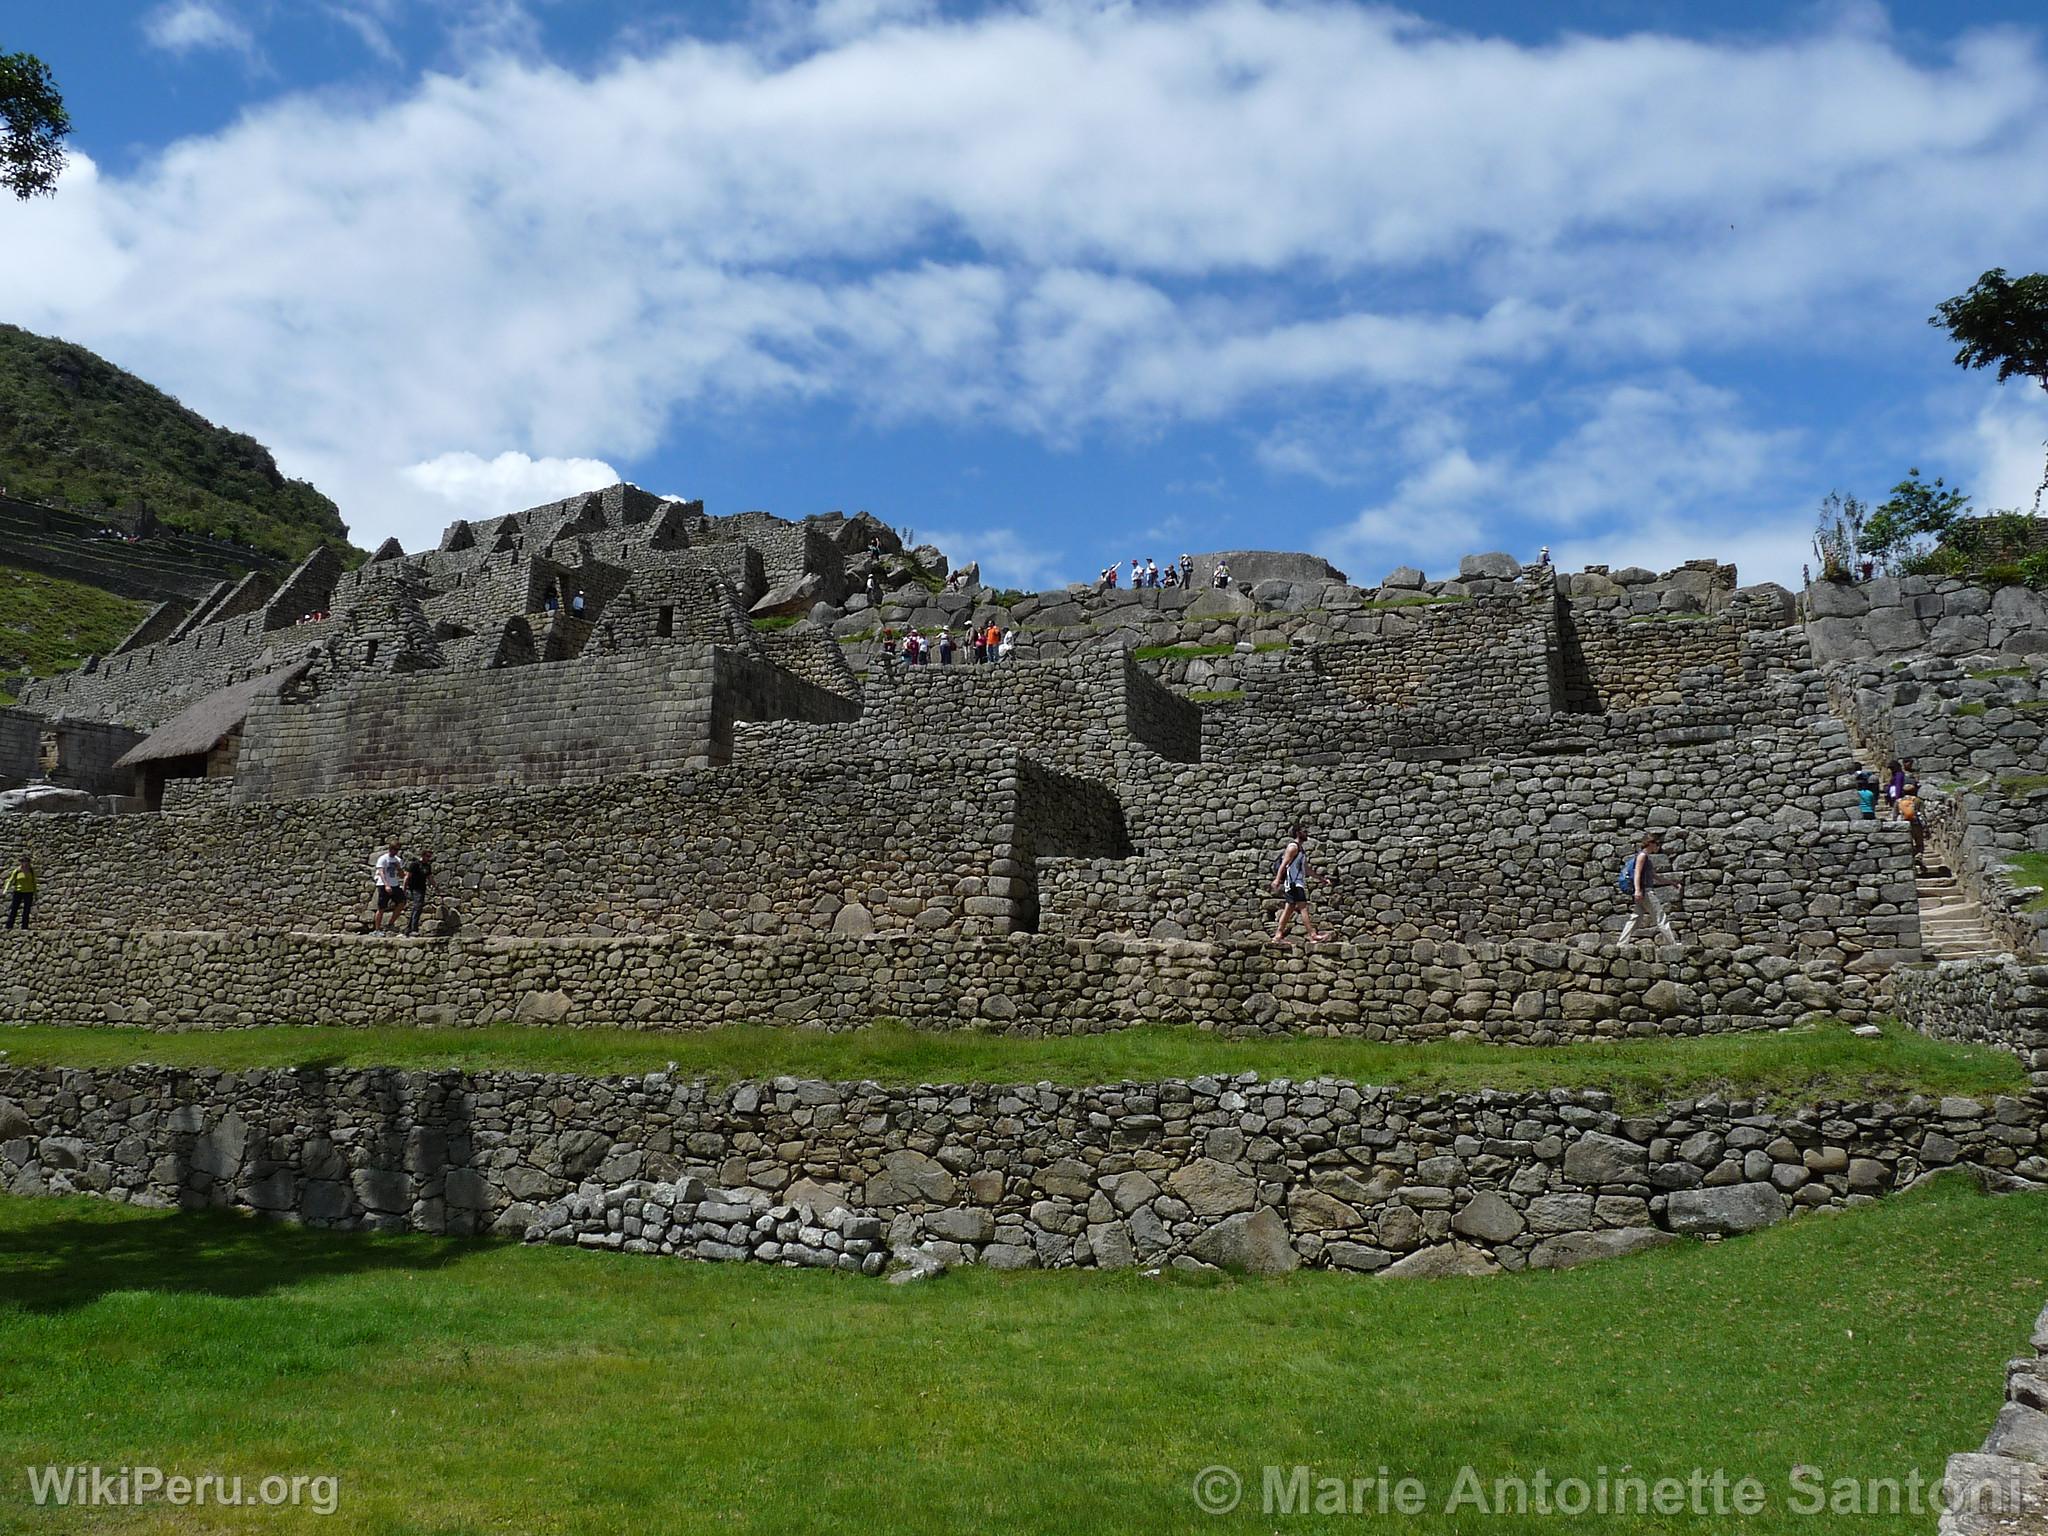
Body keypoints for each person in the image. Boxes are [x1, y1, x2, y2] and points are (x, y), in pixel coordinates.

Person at [1269, 824, 1331, 944]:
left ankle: (1278, 936)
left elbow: (1306, 869)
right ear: (1298, 833)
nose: (1307, 833)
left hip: (1296, 882)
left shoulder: (1300, 849)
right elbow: (1284, 864)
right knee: (1303, 907)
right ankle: (1313, 935)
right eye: (1304, 831)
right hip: (1293, 883)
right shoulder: (1293, 847)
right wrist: (1277, 880)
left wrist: (1320, 879)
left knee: (1289, 909)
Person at [1617, 832, 1683, 945]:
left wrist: (1672, 883)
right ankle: (1672, 943)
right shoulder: (1642, 856)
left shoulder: (1646, 858)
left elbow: (1655, 876)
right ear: (1650, 843)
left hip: (1642, 892)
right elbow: (1637, 873)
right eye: (1656, 843)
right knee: (1660, 916)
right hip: (1645, 892)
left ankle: (1621, 944)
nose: (1658, 846)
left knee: (1635, 918)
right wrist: (1637, 890)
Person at [404, 848, 438, 936]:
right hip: (414, 888)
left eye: (430, 857)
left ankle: (409, 929)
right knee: (417, 906)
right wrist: (404, 888)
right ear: (422, 855)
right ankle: (413, 929)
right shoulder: (415, 864)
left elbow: (430, 877)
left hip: (422, 888)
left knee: (417, 907)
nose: (428, 858)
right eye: (427, 856)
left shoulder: (427, 866)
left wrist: (435, 886)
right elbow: (407, 877)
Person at [373, 843, 405, 932]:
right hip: (383, 885)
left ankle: (390, 924)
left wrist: (399, 868)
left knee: (402, 902)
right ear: (390, 849)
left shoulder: (398, 860)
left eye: (397, 850)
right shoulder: (383, 859)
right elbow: (381, 872)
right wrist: (386, 885)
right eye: (394, 850)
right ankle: (377, 929)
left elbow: (402, 875)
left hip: (394, 884)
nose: (395, 852)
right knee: (381, 907)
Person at [5, 853, 36, 930]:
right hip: (18, 891)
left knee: (26, 910)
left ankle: (24, 927)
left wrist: (35, 892)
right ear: (21, 862)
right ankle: (9, 926)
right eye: (23, 862)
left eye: (26, 862)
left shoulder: (31, 871)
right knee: (14, 908)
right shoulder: (17, 871)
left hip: (29, 892)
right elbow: (10, 880)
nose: (25, 863)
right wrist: (6, 889)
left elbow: (34, 882)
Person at [1899, 781, 1924, 857]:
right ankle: (1919, 855)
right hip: (1916, 824)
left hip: (1903, 824)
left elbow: (1895, 814)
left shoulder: (1899, 801)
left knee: (1908, 841)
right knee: (1919, 841)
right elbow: (1922, 814)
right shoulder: (1918, 800)